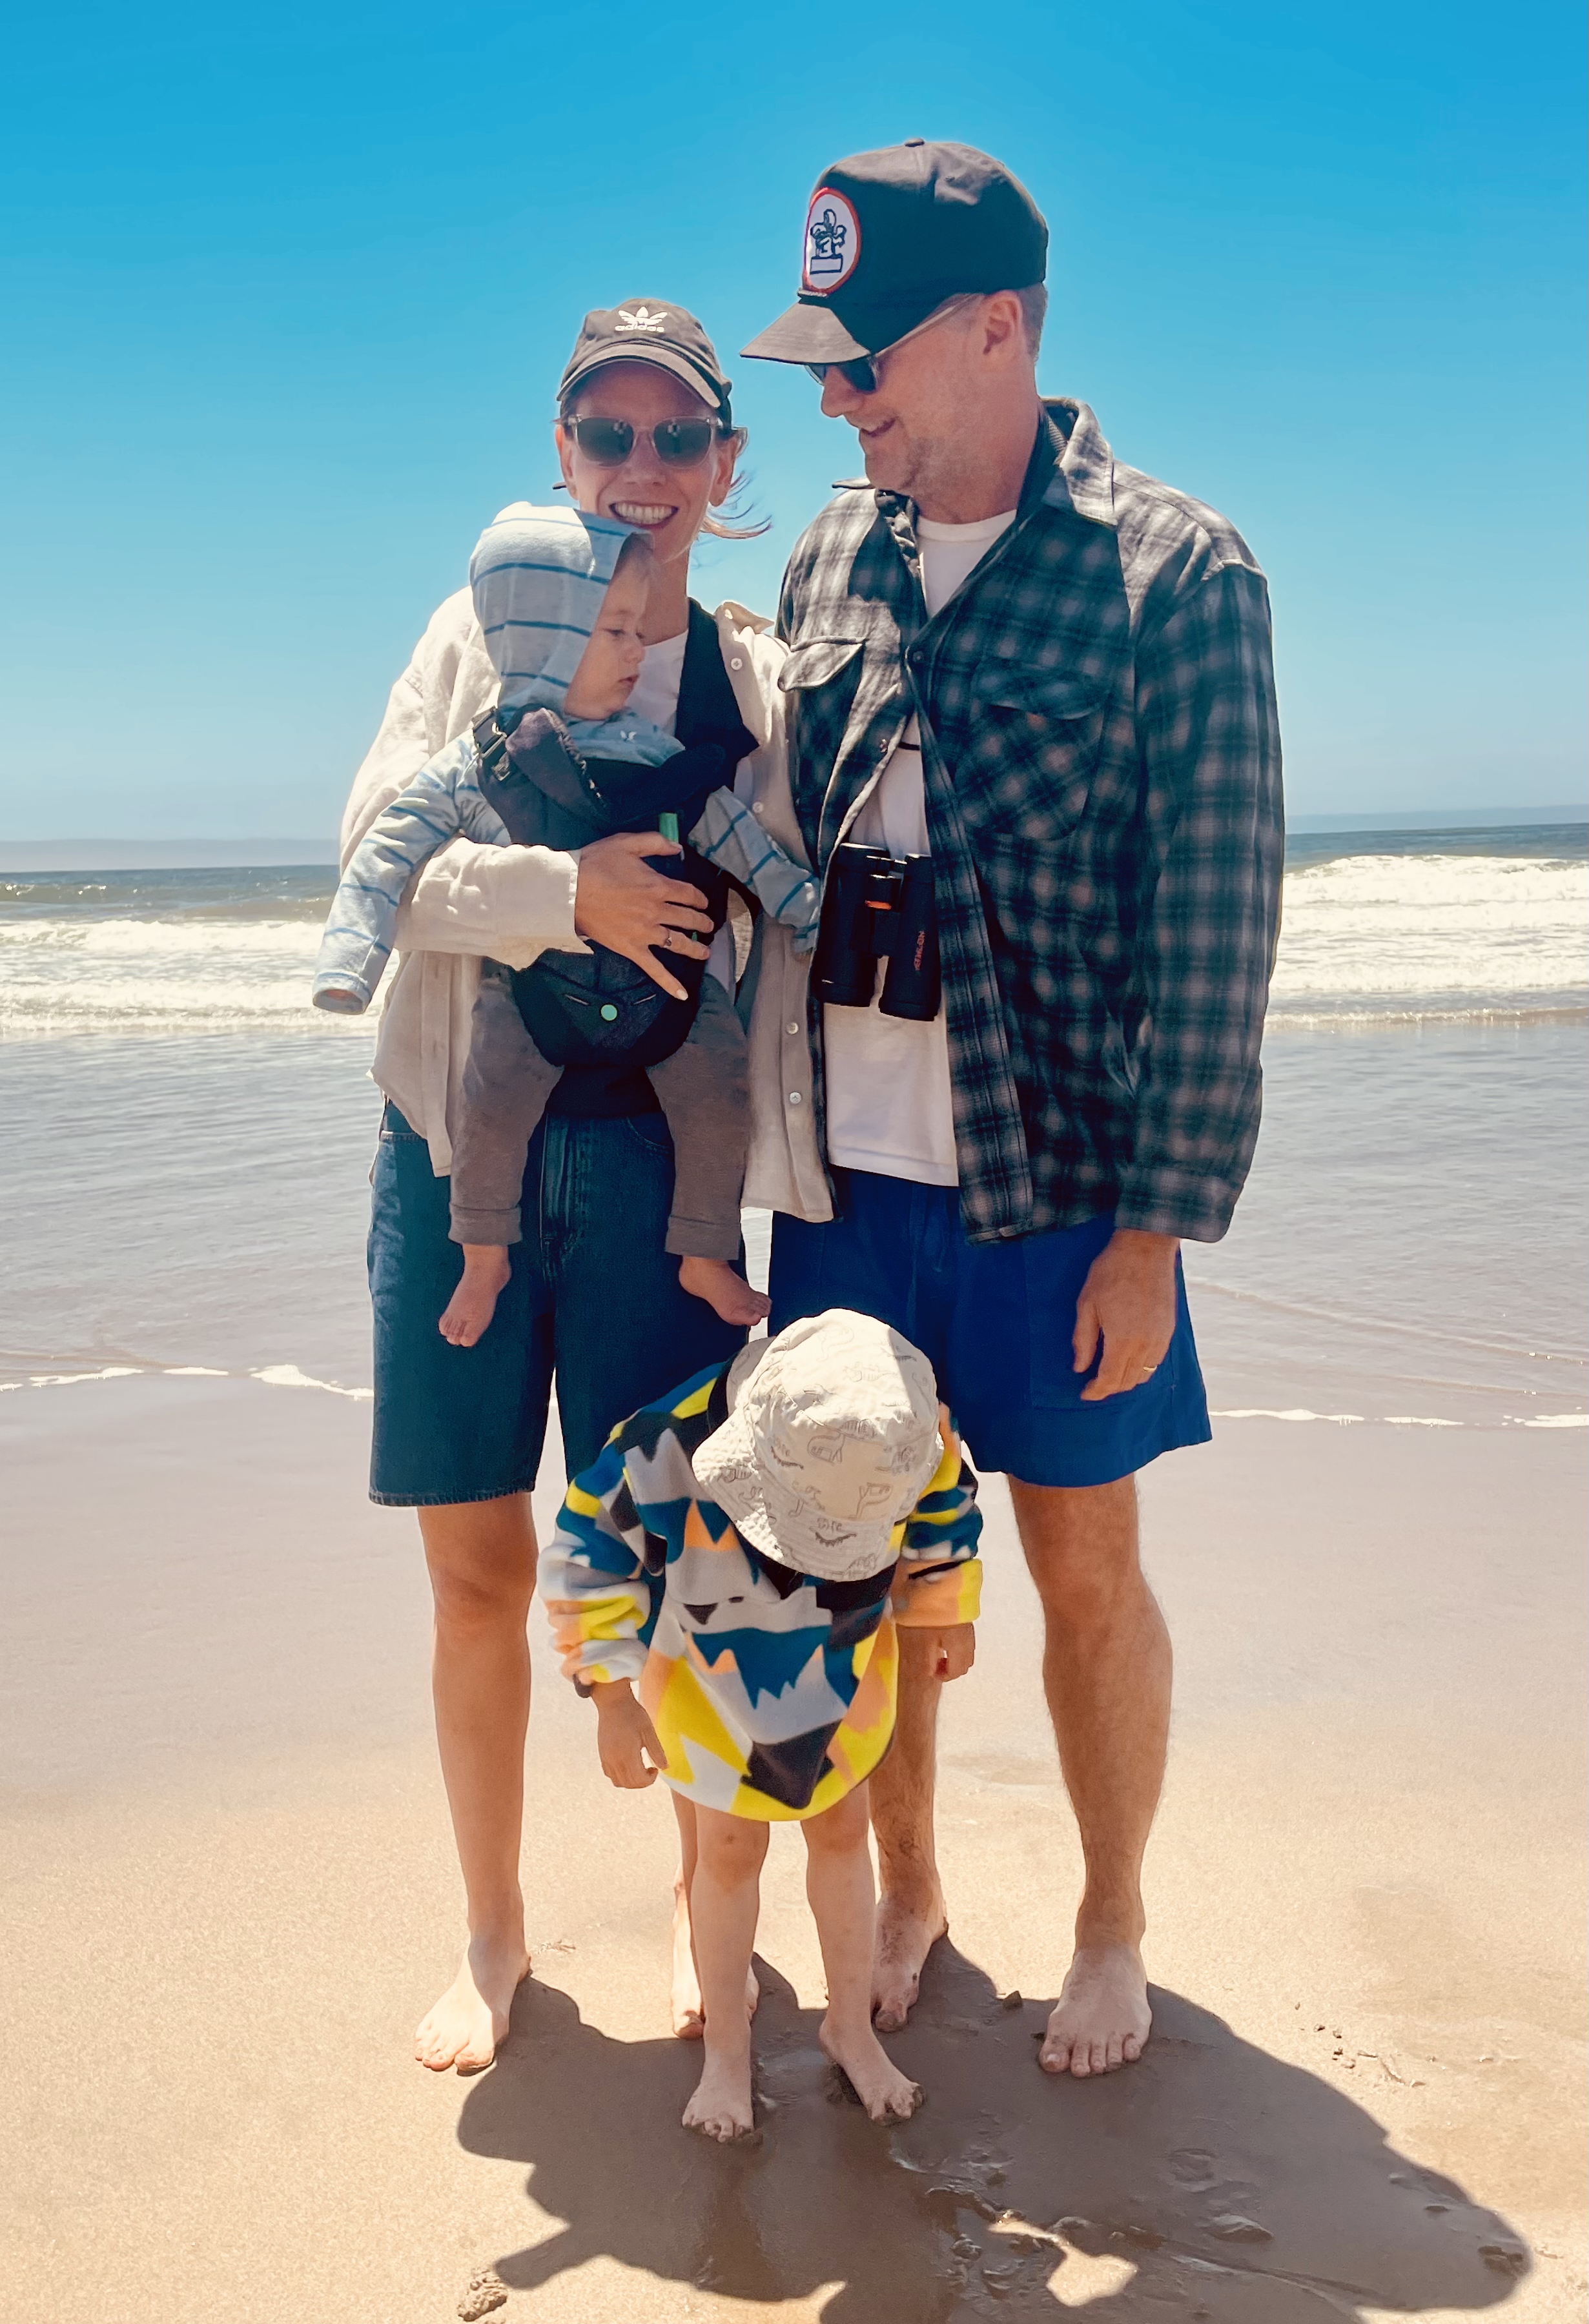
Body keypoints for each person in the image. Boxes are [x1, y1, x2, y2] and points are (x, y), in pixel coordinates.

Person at [742, 141, 1284, 2078]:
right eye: (819, 366)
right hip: (842, 1194)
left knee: (1082, 1570)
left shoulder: (1175, 571)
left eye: (862, 360)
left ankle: (1111, 1918)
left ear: (996, 329)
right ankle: (910, 1884)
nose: (835, 399)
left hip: (1059, 1190)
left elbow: (1216, 924)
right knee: (868, 1560)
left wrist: (1157, 1226)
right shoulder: (823, 555)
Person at [343, 301, 825, 2072]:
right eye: (603, 438)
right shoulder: (464, 645)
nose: (638, 473)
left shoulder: (752, 673)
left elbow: (787, 905)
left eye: (673, 440)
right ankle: (493, 1935)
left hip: (654, 1179)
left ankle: (722, 1928)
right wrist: (568, 894)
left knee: (688, 1565)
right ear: (560, 456)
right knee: (475, 1571)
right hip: (454, 1151)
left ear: (719, 466)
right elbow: (374, 872)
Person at [316, 507, 817, 1334]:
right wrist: (350, 964)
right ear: (546, 639)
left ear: (724, 460)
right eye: (611, 629)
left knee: (717, 1094)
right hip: (526, 999)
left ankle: (703, 1253)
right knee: (491, 1106)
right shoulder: (478, 748)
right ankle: (482, 1259)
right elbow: (381, 856)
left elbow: (729, 827)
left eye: (681, 434)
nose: (633, 648)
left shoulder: (680, 725)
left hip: (670, 1007)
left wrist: (799, 902)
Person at [538, 1309, 982, 2138]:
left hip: (843, 1671)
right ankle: (727, 2060)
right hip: (712, 1686)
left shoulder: (908, 1431)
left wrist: (946, 1607)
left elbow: (945, 1511)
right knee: (728, 1854)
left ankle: (847, 2029)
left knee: (844, 1836)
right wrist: (610, 1696)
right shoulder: (658, 1447)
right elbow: (584, 1557)